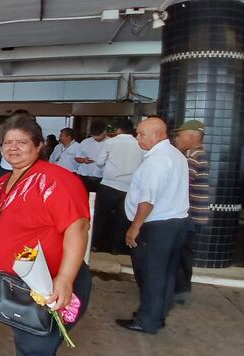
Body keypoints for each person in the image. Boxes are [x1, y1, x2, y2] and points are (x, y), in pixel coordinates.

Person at [0, 112, 92, 356]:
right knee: (26, 342)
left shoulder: (56, 179)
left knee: (35, 346)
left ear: (38, 145)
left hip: (48, 284)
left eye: (22, 142)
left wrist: (65, 278)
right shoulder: (2, 182)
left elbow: (78, 227)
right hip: (14, 285)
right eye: (8, 142)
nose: (13, 148)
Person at [116, 117, 189, 334]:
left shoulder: (157, 161)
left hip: (156, 227)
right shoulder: (175, 155)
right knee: (165, 273)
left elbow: (147, 200)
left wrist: (134, 227)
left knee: (151, 274)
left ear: (158, 135)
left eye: (142, 134)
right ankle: (158, 315)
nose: (137, 138)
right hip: (176, 223)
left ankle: (146, 320)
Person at [171, 120, 210, 305]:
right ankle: (181, 288)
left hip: (190, 215)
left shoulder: (192, 156)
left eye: (181, 134)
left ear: (193, 137)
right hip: (195, 214)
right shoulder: (195, 154)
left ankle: (180, 290)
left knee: (181, 253)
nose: (177, 138)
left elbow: (182, 185)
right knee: (184, 253)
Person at [92, 118, 143, 254]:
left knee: (101, 217)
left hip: (109, 184)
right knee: (121, 219)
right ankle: (116, 247)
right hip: (129, 188)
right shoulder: (139, 144)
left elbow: (99, 162)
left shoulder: (110, 142)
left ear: (118, 129)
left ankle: (96, 245)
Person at [74, 121, 107, 192]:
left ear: (105, 131)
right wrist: (83, 160)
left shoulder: (111, 143)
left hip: (103, 178)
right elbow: (77, 157)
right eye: (94, 136)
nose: (97, 138)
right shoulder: (85, 142)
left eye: (99, 135)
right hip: (85, 176)